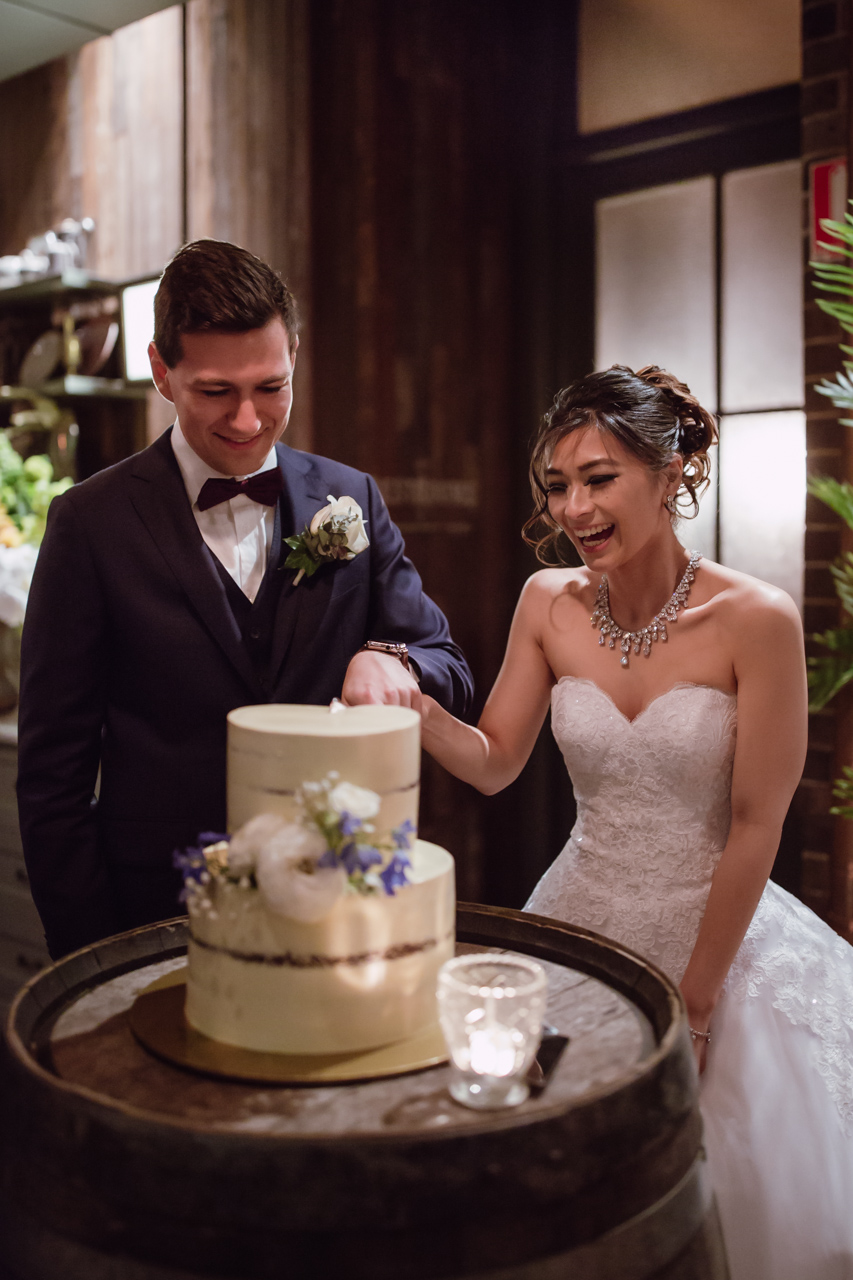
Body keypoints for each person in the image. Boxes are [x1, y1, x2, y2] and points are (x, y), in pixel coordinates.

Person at [416, 364, 853, 1280]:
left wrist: (694, 1004)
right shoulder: (547, 603)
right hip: (577, 919)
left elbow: (755, 824)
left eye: (599, 478)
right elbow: (494, 762)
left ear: (669, 472)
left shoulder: (755, 619)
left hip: (714, 935)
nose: (575, 507)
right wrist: (411, 707)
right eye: (557, 485)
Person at [17, 238, 472, 960]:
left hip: (338, 897)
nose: (247, 421)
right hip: (153, 911)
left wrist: (394, 660)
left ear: (293, 352)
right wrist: (88, 954)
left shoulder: (350, 496)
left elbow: (447, 662)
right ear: (163, 373)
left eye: (271, 387)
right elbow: (52, 774)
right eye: (215, 392)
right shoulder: (89, 524)